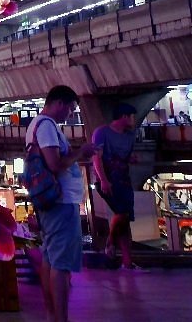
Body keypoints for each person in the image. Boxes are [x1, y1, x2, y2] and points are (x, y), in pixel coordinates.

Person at [25, 85, 97, 322]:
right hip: (61, 201)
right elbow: (55, 164)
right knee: (61, 264)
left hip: (52, 201)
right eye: (70, 109)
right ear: (59, 104)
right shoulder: (46, 126)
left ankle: (52, 314)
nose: (70, 114)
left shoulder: (37, 125)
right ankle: (60, 317)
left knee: (50, 259)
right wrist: (80, 152)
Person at [92, 103, 146, 271]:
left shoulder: (129, 135)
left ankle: (127, 262)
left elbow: (126, 156)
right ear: (124, 117)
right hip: (108, 180)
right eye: (132, 117)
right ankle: (110, 242)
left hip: (124, 179)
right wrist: (103, 179)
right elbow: (96, 158)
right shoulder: (101, 132)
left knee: (125, 220)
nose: (133, 120)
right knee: (122, 213)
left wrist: (131, 159)